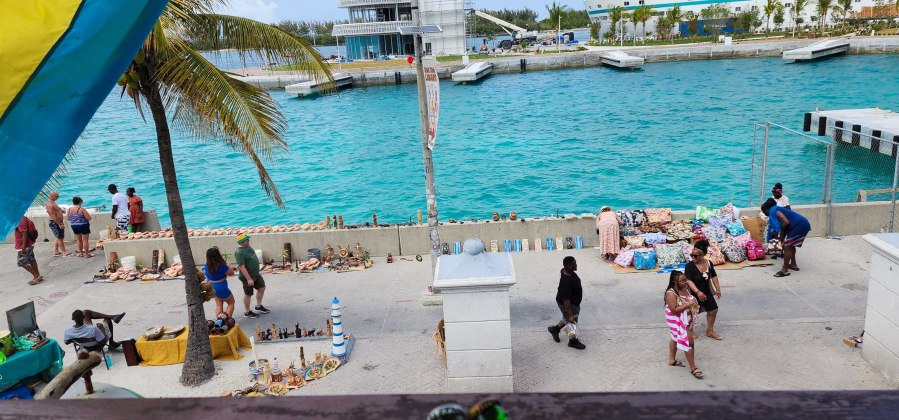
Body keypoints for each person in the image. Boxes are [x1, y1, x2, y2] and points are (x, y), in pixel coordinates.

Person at [665, 270, 703, 379]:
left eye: (685, 280)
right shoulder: (671, 293)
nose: (685, 282)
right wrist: (688, 305)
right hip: (677, 320)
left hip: (687, 318)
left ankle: (671, 360)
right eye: (682, 281)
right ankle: (693, 367)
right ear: (674, 281)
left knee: (675, 337)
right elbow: (674, 310)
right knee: (689, 342)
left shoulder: (685, 288)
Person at [762, 201, 812, 278]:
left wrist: (781, 239)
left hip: (799, 225)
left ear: (768, 209)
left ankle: (784, 270)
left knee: (787, 246)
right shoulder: (777, 209)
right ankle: (793, 264)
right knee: (791, 245)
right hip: (800, 225)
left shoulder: (776, 212)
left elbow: (786, 223)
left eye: (764, 211)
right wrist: (781, 239)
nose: (764, 213)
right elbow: (784, 226)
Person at [685, 240, 722, 340]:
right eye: (691, 255)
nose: (693, 257)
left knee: (713, 310)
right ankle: (690, 331)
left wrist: (718, 289)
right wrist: (697, 292)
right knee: (692, 313)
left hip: (706, 291)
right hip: (693, 293)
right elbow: (689, 281)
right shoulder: (689, 266)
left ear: (702, 255)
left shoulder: (709, 263)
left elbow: (714, 276)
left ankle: (710, 331)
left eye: (695, 256)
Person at [547, 256, 586, 350]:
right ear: (569, 266)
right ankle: (572, 341)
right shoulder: (566, 282)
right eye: (574, 264)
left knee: (566, 317)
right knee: (571, 321)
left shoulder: (566, 271)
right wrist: (570, 315)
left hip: (572, 302)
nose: (576, 265)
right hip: (569, 304)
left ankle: (555, 329)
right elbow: (566, 301)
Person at [235, 233, 269, 318]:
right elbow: (241, 266)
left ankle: (258, 306)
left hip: (255, 274)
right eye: (247, 240)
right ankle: (247, 312)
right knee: (248, 293)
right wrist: (249, 279)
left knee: (262, 287)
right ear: (242, 242)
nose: (248, 240)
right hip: (248, 277)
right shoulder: (239, 252)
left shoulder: (247, 246)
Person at [204, 247, 236, 318]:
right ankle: (226, 320)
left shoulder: (206, 265)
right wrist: (229, 267)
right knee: (231, 303)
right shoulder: (221, 265)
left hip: (212, 287)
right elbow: (231, 273)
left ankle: (219, 321)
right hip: (221, 287)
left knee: (219, 305)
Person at [15, 215, 43, 285]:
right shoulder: (23, 217)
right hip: (29, 244)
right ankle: (38, 275)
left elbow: (24, 233)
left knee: (22, 262)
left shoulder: (19, 219)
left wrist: (23, 247)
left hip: (23, 245)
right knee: (31, 260)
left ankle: (36, 276)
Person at [44, 192, 69, 256]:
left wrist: (60, 210)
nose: (58, 197)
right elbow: (53, 215)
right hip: (55, 222)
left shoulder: (53, 203)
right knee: (60, 238)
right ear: (52, 196)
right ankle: (64, 252)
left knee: (58, 237)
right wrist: (59, 224)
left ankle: (55, 251)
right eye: (56, 196)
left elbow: (55, 210)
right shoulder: (50, 204)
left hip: (56, 222)